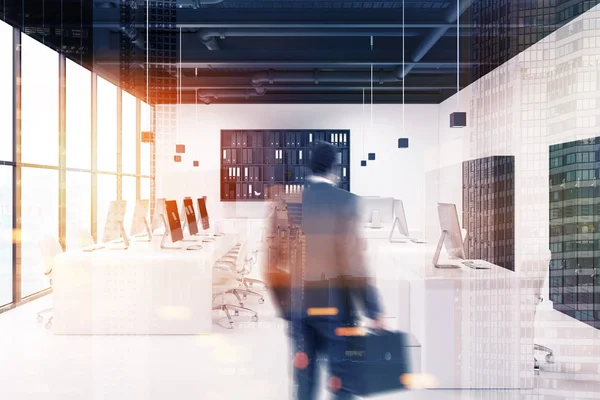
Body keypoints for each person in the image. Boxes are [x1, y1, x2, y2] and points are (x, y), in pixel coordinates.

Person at [289, 142, 384, 400]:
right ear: (335, 168)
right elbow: (353, 263)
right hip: (336, 309)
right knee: (341, 380)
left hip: (299, 308)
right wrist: (373, 309)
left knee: (304, 380)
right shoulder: (346, 202)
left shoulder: (291, 203)